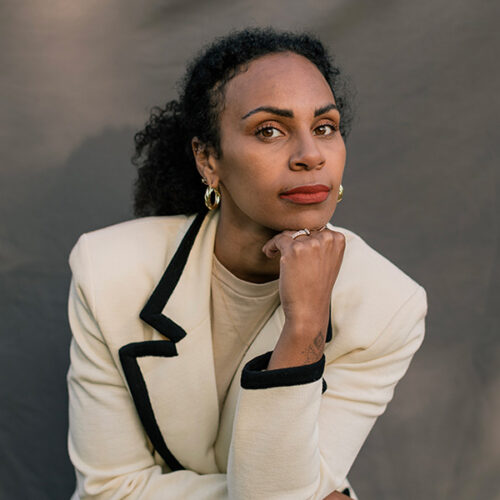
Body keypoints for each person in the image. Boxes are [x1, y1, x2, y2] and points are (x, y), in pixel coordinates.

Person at [66, 27, 428, 500]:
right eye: (270, 131)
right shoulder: (108, 271)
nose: (310, 155)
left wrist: (304, 331)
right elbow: (106, 491)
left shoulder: (388, 306)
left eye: (325, 128)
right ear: (209, 159)